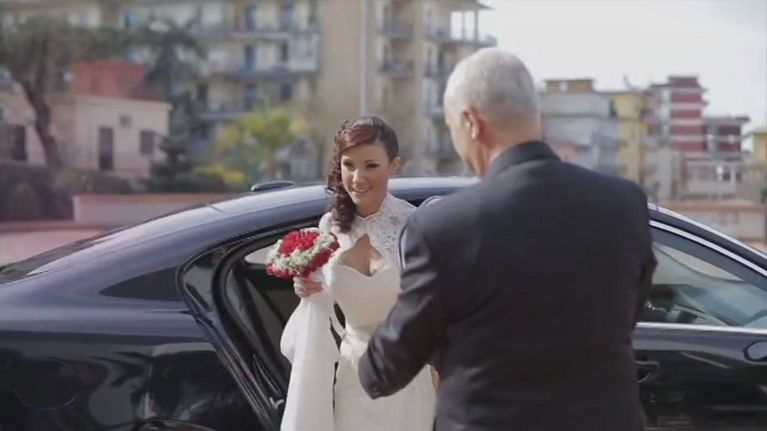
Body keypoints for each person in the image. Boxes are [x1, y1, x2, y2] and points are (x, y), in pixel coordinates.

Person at [358, 48, 657, 431]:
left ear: (471, 123)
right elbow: (627, 312)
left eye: (451, 129)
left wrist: (365, 358)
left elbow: (391, 365)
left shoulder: (443, 227)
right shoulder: (624, 204)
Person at [279, 116, 436, 431]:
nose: (357, 177)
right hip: (353, 374)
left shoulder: (415, 224)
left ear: (394, 166)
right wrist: (306, 288)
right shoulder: (329, 227)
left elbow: (434, 307)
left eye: (371, 166)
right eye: (348, 165)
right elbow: (323, 298)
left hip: (406, 374)